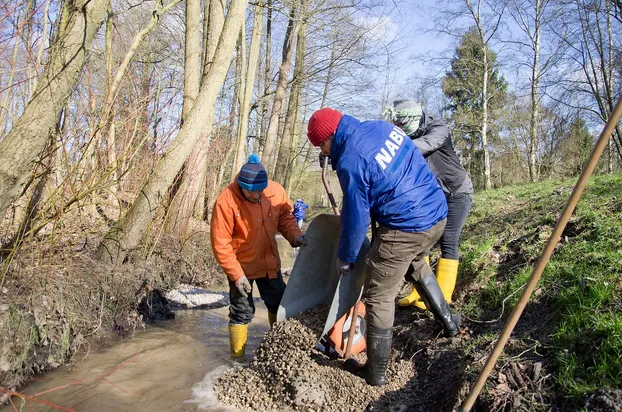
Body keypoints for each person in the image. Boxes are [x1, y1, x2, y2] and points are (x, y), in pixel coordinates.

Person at [306, 107, 461, 386]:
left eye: (321, 145)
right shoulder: (381, 128)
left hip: (406, 226)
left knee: (378, 295)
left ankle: (375, 373)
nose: (323, 151)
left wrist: (346, 256)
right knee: (416, 264)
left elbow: (356, 217)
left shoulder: (351, 161)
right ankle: (449, 323)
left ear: (330, 137)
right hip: (436, 213)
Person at [210, 154, 307, 359]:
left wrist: (296, 237)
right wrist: (236, 275)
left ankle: (278, 349)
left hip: (268, 260)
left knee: (279, 302)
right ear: (241, 186)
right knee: (241, 310)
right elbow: (221, 244)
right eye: (252, 193)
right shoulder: (225, 201)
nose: (257, 196)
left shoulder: (276, 191)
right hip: (240, 264)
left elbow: (286, 219)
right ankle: (237, 358)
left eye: (260, 191)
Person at [383, 99, 473, 309]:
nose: (402, 131)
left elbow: (424, 145)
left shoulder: (438, 128)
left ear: (416, 116)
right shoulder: (406, 136)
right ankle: (418, 292)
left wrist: (394, 147)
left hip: (458, 191)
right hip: (433, 196)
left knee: (449, 239)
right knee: (425, 241)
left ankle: (443, 298)